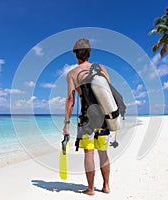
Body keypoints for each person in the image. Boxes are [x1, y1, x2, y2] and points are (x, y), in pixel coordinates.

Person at [63, 38, 111, 195]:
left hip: (86, 119)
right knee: (103, 152)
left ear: (76, 54)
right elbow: (108, 93)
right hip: (103, 118)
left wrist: (67, 123)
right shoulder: (102, 68)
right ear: (89, 53)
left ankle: (91, 189)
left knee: (89, 152)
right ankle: (106, 186)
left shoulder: (72, 74)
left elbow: (71, 100)